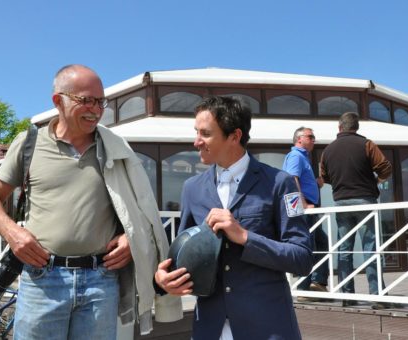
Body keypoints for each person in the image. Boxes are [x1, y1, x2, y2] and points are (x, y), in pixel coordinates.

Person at [0, 64, 181, 339]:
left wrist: (129, 239)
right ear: (57, 101)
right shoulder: (29, 144)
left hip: (100, 282)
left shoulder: (117, 148)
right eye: (86, 100)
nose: (96, 109)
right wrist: (13, 233)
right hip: (42, 281)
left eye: (100, 102)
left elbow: (139, 210)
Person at [154, 96, 313, 339]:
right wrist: (162, 280)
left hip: (268, 327)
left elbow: (301, 259)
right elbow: (182, 254)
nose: (196, 142)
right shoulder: (192, 188)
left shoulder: (280, 183)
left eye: (205, 134)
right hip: (210, 328)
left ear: (234, 136)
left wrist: (245, 237)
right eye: (196, 132)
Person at [319, 112, 392, 307]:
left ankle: (347, 296)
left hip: (341, 202)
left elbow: (324, 176)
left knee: (344, 250)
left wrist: (341, 183)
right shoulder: (367, 144)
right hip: (364, 200)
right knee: (370, 248)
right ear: (356, 127)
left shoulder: (328, 150)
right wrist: (374, 182)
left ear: (339, 127)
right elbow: (385, 167)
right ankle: (377, 296)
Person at [282, 127, 329, 296]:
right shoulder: (296, 156)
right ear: (299, 139)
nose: (314, 139)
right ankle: (305, 287)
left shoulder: (303, 157)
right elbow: (291, 180)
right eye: (310, 136)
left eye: (314, 136)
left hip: (309, 206)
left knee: (321, 242)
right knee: (310, 244)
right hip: (305, 208)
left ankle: (317, 283)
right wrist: (302, 204)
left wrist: (315, 184)